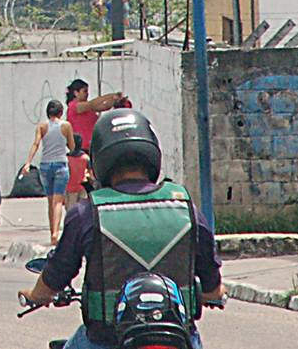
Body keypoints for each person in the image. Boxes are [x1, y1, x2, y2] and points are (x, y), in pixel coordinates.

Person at [19, 108, 222, 349]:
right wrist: (213, 294)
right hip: (179, 337)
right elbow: (212, 284)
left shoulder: (87, 212)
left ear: (101, 160)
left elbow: (57, 273)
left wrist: (35, 295)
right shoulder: (185, 207)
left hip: (105, 339)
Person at [22, 99, 77, 241]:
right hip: (60, 164)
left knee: (50, 200)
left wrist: (28, 163)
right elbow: (72, 147)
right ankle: (56, 233)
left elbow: (35, 144)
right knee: (58, 201)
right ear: (61, 112)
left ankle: (52, 229)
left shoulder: (42, 126)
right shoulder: (66, 126)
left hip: (45, 166)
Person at [64, 78, 131, 192]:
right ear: (76, 93)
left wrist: (115, 101)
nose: (87, 94)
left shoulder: (86, 107)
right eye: (84, 91)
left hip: (92, 146)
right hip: (82, 148)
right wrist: (110, 96)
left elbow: (103, 107)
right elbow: (93, 104)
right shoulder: (75, 106)